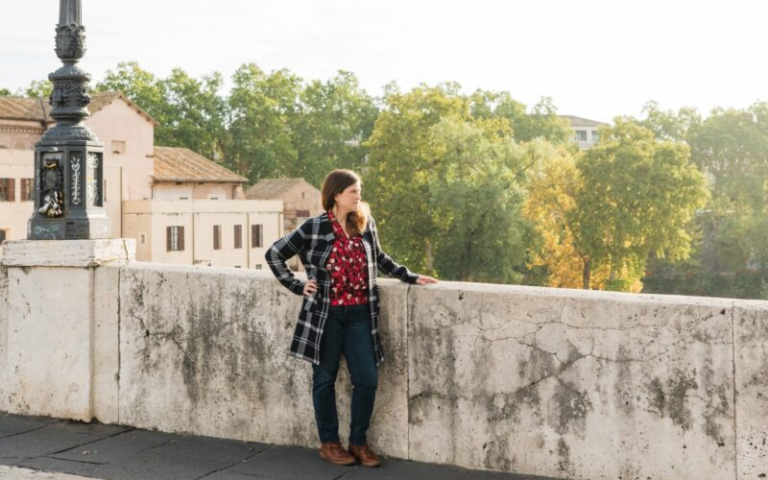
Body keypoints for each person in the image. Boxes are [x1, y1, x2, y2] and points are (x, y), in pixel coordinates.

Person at [265, 169, 437, 468]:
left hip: (360, 314)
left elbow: (380, 258)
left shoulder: (364, 224)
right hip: (326, 314)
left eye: (359, 191)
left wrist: (409, 276)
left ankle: (358, 442)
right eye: (353, 192)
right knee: (324, 379)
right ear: (336, 195)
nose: (359, 196)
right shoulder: (314, 227)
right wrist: (296, 284)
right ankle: (329, 443)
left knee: (367, 380)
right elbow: (274, 254)